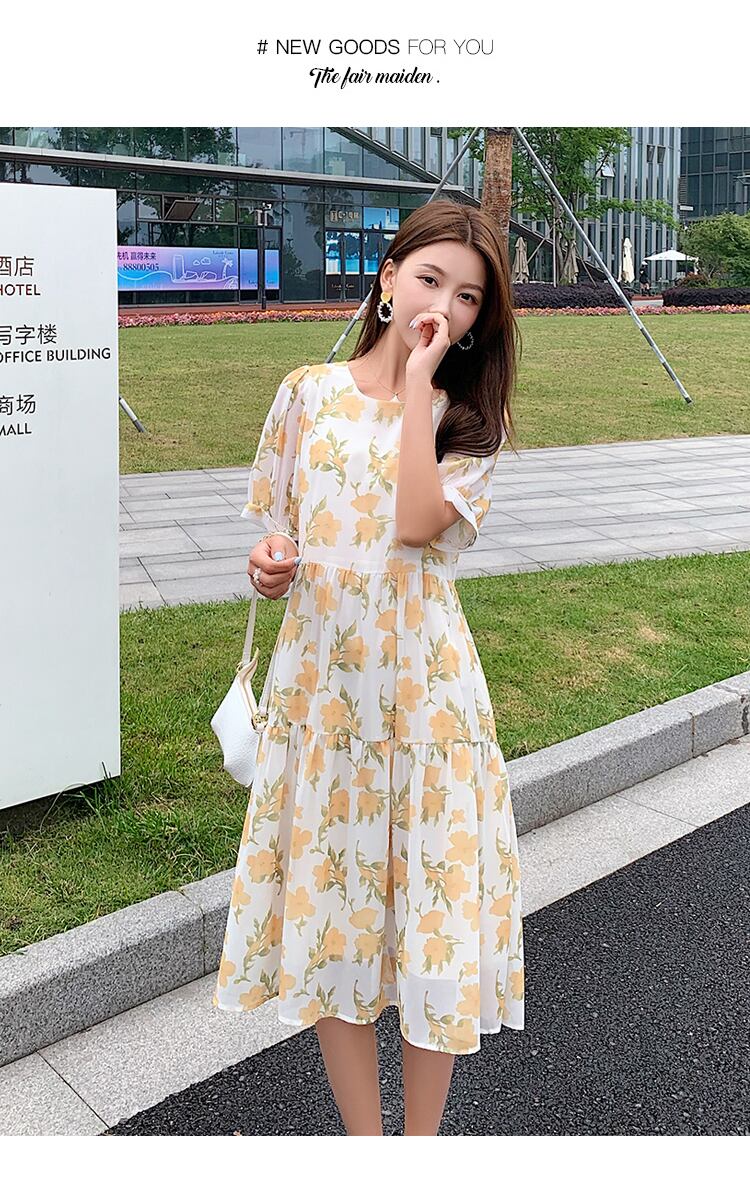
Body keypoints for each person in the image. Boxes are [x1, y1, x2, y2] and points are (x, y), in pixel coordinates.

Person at [212, 199, 525, 1136]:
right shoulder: (306, 392)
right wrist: (269, 565)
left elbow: (417, 524)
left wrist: (421, 383)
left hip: (427, 703)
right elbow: (284, 532)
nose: (444, 305)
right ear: (388, 279)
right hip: (324, 698)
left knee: (432, 930)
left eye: (467, 297)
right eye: (430, 279)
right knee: (332, 923)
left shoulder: (469, 422)